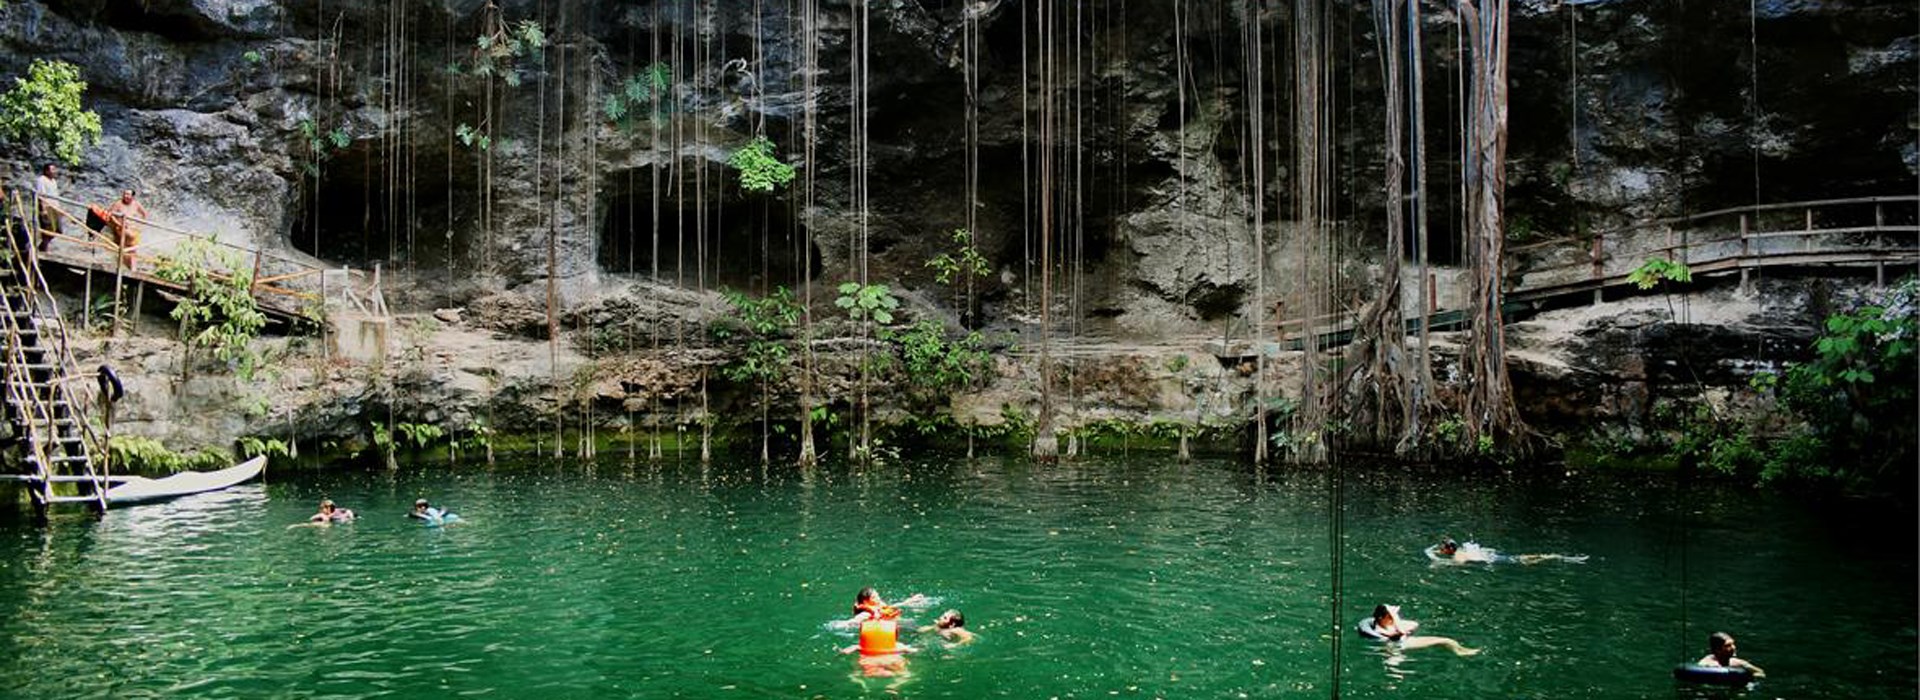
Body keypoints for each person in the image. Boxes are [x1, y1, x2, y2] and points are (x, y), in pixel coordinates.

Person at [1366, 604, 1479, 656]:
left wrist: (1394, 618)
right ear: (1381, 618)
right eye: (1390, 616)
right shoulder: (1381, 629)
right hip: (1401, 645)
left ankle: (1460, 650)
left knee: (1447, 641)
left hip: (1400, 642)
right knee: (1446, 640)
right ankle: (1459, 652)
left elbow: (1414, 624)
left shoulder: (1385, 624)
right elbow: (1401, 632)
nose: (1393, 618)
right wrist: (1396, 619)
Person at [840, 606, 914, 677]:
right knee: (905, 674)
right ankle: (894, 686)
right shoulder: (899, 646)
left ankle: (863, 684)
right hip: (891, 659)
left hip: (869, 661)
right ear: (895, 635)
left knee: (856, 673)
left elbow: (845, 651)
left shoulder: (858, 646)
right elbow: (912, 650)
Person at [1434, 536, 1586, 565]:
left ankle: (1552, 557)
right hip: (1492, 556)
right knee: (1519, 558)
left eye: (1443, 548)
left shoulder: (1458, 556)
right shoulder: (1461, 549)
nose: (1441, 549)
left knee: (1520, 560)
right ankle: (1550, 556)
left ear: (1449, 549)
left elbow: (1458, 563)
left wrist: (1439, 564)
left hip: (1494, 560)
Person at [103, 189, 148, 270]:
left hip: (132, 229)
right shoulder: (118, 204)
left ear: (132, 197)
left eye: (128, 194)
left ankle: (132, 268)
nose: (125, 196)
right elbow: (110, 215)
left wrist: (139, 226)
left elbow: (144, 214)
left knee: (131, 248)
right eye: (124, 194)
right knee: (128, 245)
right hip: (120, 228)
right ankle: (129, 267)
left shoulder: (136, 204)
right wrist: (118, 224)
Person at [1697, 632, 1764, 678]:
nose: (1733, 648)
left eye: (1733, 644)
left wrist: (1744, 676)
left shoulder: (1737, 662)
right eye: (1728, 645)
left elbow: (1761, 673)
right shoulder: (1707, 664)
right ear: (1717, 649)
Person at [32, 163, 64, 252]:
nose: (54, 171)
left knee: (57, 230)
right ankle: (44, 249)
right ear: (46, 171)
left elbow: (55, 196)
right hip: (47, 207)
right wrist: (43, 209)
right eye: (52, 169)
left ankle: (41, 247)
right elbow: (41, 195)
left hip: (54, 208)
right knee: (47, 229)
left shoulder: (53, 181)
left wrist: (60, 209)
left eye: (55, 169)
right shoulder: (41, 180)